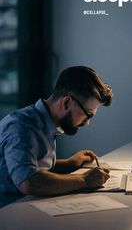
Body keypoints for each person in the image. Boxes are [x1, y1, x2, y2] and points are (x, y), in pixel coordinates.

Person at [0, 66, 112, 196]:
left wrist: (68, 164)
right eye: (88, 114)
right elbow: (29, 182)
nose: (86, 122)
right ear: (66, 102)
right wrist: (85, 179)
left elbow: (34, 166)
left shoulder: (45, 123)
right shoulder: (21, 126)